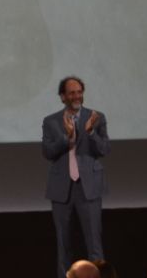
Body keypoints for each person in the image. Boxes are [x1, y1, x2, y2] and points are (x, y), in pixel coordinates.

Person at [43, 76, 110, 278]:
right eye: (72, 92)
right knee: (64, 245)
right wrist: (67, 137)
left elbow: (105, 149)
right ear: (62, 96)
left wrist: (90, 132)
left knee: (94, 245)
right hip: (61, 189)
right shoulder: (51, 121)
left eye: (79, 91)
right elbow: (47, 152)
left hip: (88, 188)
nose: (77, 96)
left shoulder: (96, 117)